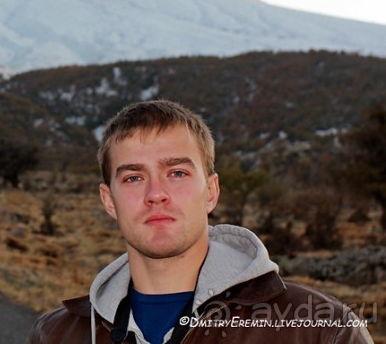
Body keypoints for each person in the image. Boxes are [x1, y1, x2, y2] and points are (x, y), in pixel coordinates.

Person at [27, 99, 373, 344]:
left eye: (176, 172)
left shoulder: (319, 329)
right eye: (133, 177)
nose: (156, 193)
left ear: (211, 191)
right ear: (108, 200)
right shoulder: (58, 334)